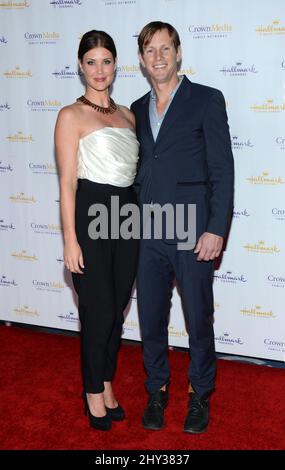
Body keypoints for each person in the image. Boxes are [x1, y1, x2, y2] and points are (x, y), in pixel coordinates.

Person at [131, 21, 234, 433]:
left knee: (198, 316)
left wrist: (216, 228)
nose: (158, 57)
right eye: (150, 50)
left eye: (165, 49)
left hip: (193, 231)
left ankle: (200, 394)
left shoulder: (206, 100)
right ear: (141, 59)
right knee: (150, 316)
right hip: (145, 231)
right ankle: (156, 389)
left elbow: (222, 171)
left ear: (178, 53)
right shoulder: (135, 109)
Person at [54, 30, 139, 431]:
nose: (99, 70)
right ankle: (91, 391)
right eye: (91, 62)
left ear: (116, 64)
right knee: (97, 309)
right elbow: (68, 182)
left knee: (117, 310)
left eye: (106, 61)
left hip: (127, 217)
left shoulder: (128, 116)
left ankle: (106, 381)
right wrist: (70, 239)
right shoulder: (70, 116)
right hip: (90, 215)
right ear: (80, 66)